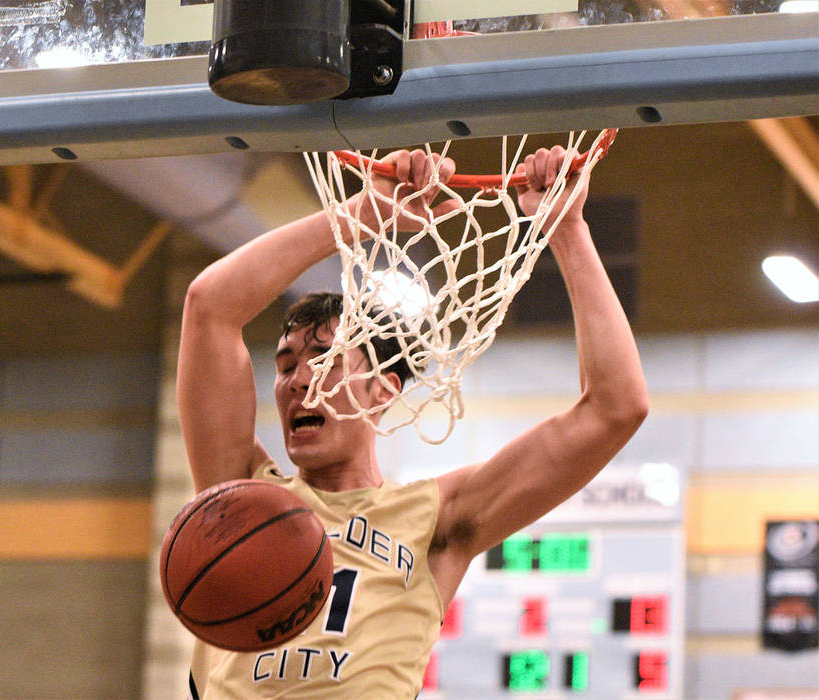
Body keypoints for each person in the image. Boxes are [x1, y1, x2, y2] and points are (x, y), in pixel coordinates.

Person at [176, 146, 649, 698]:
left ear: (383, 388)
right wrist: (365, 215)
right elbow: (209, 305)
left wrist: (566, 228)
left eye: (326, 358)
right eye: (285, 366)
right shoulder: (240, 497)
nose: (299, 380)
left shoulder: (436, 519)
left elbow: (617, 408)